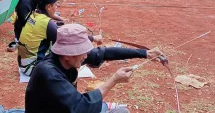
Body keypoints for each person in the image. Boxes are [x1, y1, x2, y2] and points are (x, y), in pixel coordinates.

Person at [25, 24, 164, 113]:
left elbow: (105, 53)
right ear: (67, 54)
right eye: (83, 51)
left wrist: (145, 53)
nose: (86, 55)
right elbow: (82, 107)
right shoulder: (48, 72)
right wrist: (114, 80)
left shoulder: (65, 57)